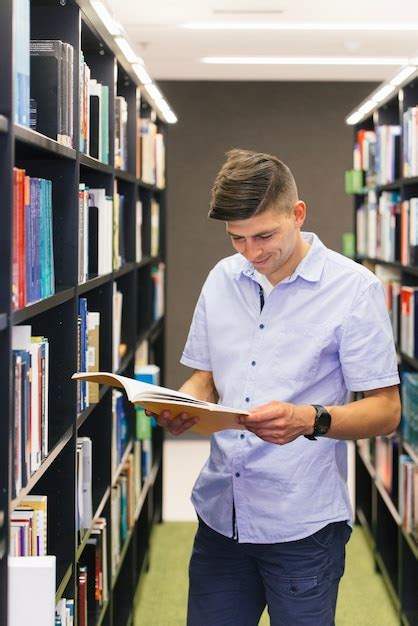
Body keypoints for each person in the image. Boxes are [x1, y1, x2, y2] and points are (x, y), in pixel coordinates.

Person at [155, 148, 401, 626]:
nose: (251, 253)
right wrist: (185, 403)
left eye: (264, 235)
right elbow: (205, 375)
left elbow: (386, 411)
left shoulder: (355, 289)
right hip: (220, 514)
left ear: (298, 214)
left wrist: (310, 419)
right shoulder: (222, 278)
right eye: (237, 239)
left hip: (301, 525)